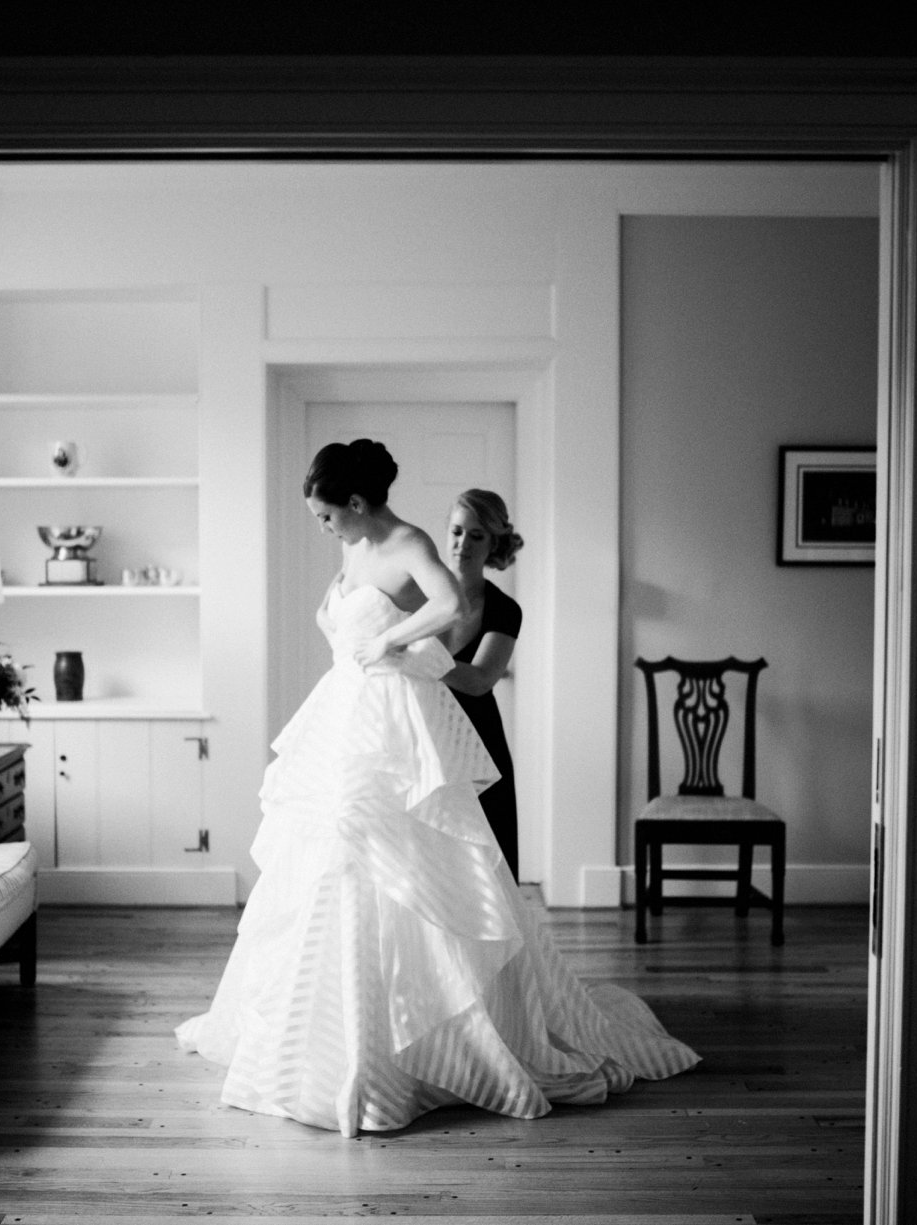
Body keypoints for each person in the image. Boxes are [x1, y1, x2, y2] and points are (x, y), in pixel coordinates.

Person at [176, 438, 698, 1137]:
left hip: (394, 713)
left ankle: (438, 1037)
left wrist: (392, 645)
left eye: (328, 516)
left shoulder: (408, 542)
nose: (324, 528)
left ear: (358, 504)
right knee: (329, 856)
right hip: (345, 712)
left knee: (408, 861)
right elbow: (347, 610)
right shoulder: (354, 545)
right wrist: (355, 637)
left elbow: (447, 604)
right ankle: (319, 1030)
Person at [437, 489, 524, 880]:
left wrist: (418, 659)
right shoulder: (417, 595)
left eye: (476, 536)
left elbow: (479, 680)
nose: (462, 544)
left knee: (487, 861)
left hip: (478, 737)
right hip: (423, 728)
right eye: (457, 532)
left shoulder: (505, 609)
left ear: (492, 543)